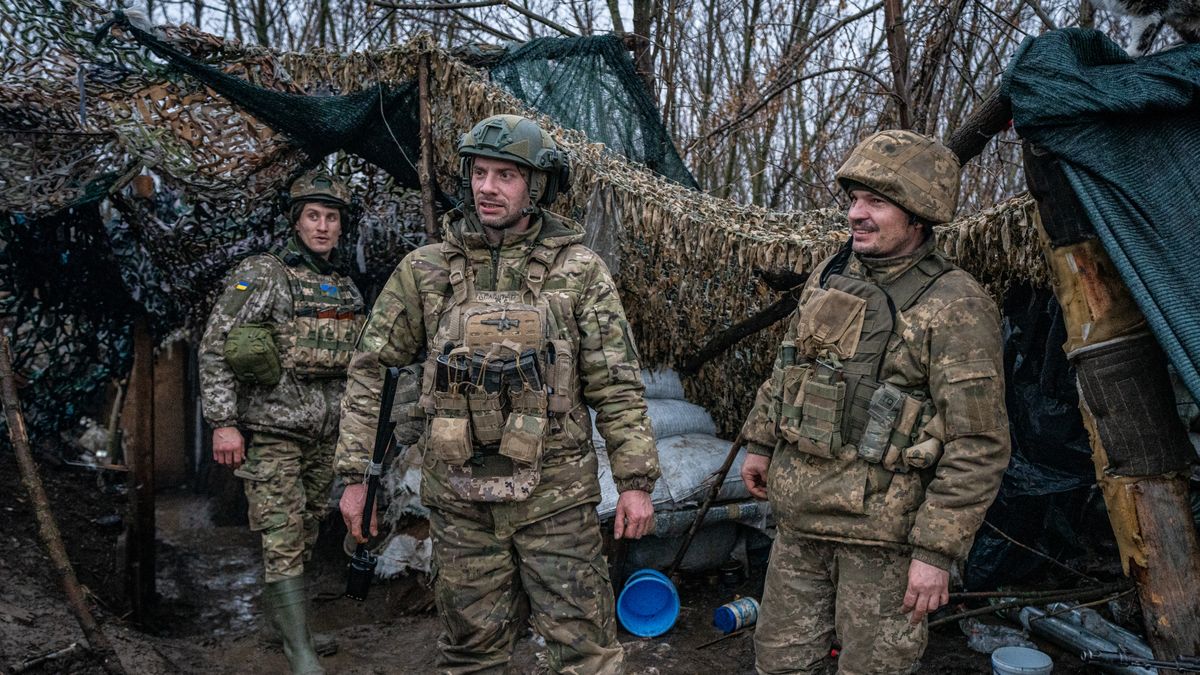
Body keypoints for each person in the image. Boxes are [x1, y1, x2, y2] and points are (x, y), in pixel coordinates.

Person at [334, 114, 660, 674]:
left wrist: (635, 482)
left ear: (536, 186)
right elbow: (372, 371)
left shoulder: (580, 271)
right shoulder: (425, 270)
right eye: (479, 173)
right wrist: (355, 477)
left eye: (506, 175)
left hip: (556, 501)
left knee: (584, 653)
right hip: (460, 502)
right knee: (469, 654)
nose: (487, 187)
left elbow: (617, 382)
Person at [739, 130, 1011, 674]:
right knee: (778, 665)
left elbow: (978, 443)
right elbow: (790, 368)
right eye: (854, 200)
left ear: (917, 216)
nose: (856, 215)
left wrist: (937, 553)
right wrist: (760, 441)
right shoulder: (833, 274)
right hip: (798, 527)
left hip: (885, 544)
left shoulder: (956, 306)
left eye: (876, 203)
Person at [199, 170, 364, 675]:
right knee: (281, 532)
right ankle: (300, 652)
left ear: (341, 227)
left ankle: (283, 624)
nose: (322, 226)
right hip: (273, 431)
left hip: (324, 434)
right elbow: (216, 345)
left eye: (331, 217)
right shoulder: (264, 274)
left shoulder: (345, 288)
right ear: (296, 223)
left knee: (308, 526)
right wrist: (223, 421)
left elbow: (360, 365)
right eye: (313, 216)